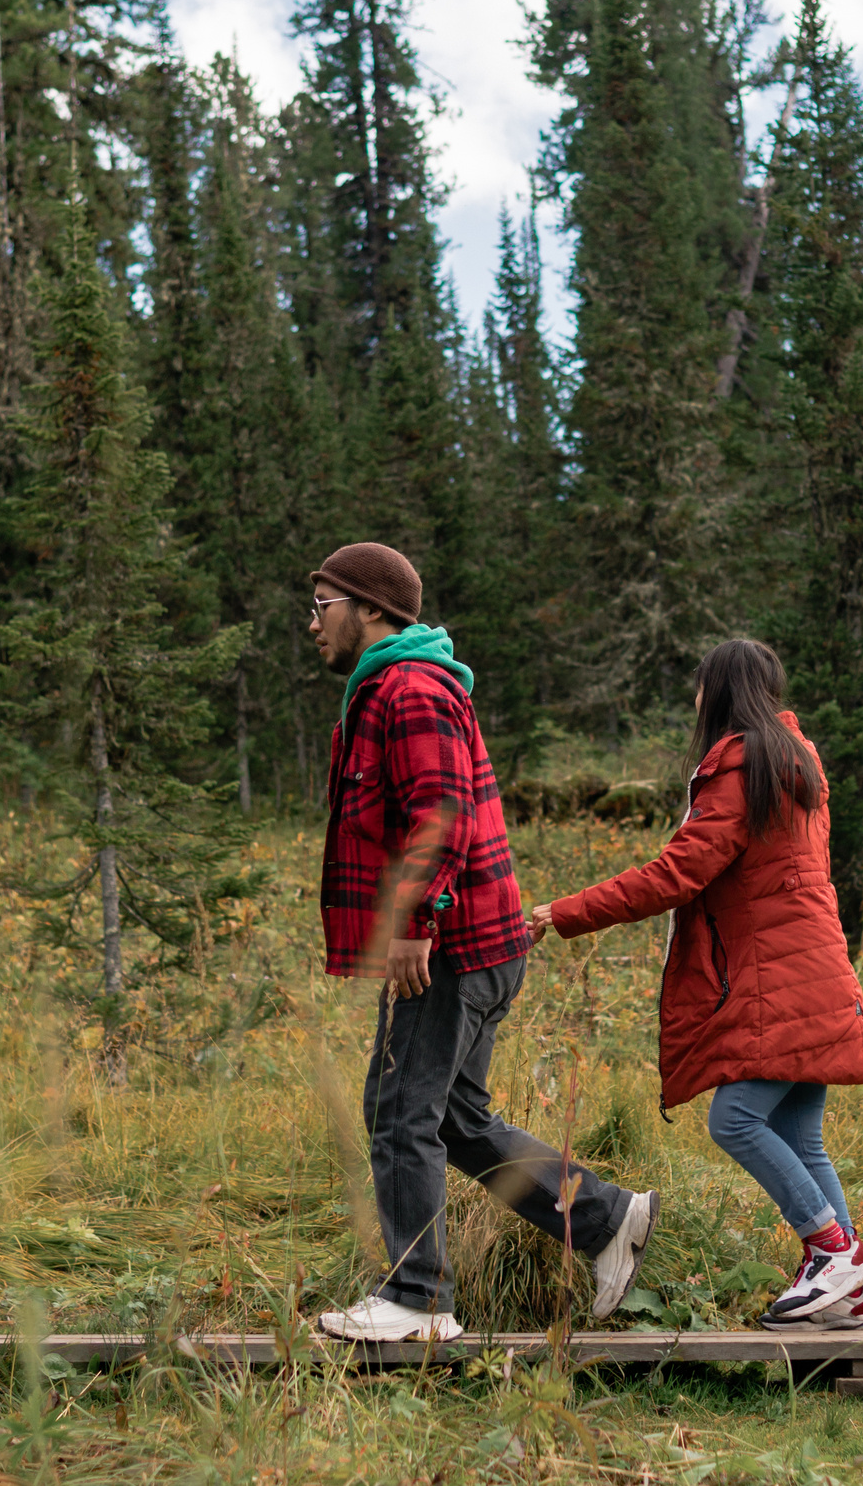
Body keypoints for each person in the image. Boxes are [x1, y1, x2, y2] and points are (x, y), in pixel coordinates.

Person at [305, 541, 659, 1342]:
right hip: (481, 942)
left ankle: (418, 1298)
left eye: (322, 606)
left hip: (452, 944)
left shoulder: (408, 687)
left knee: (398, 1113)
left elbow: (442, 812)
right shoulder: (398, 685)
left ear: (371, 609)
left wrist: (414, 924)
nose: (312, 623)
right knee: (455, 1121)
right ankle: (605, 1219)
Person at [529, 639, 863, 1332]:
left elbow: (675, 875)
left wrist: (565, 911)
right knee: (801, 1138)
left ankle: (834, 1250)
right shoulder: (797, 762)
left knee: (736, 1118)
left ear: (718, 692)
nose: (694, 699)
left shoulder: (743, 768)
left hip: (774, 976)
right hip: (814, 965)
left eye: (699, 687)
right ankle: (851, 1296)